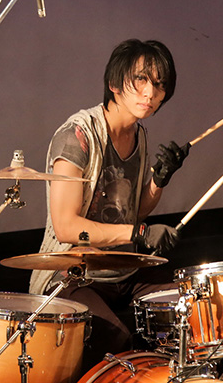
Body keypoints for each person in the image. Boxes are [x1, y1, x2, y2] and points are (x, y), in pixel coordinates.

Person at [29, 38, 190, 370]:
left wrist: (159, 180)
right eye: (141, 80)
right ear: (115, 84)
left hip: (122, 270)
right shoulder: (78, 136)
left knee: (190, 307)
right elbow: (66, 226)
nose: (150, 93)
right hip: (71, 274)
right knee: (116, 337)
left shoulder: (139, 135)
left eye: (159, 85)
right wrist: (139, 234)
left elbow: (133, 213)